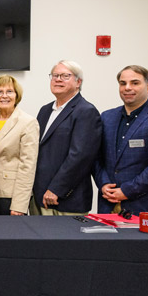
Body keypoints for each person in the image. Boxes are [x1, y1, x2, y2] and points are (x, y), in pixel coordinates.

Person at [94, 65, 148, 220]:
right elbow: (96, 158)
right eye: (123, 83)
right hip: (109, 207)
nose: (127, 88)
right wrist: (104, 184)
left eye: (135, 83)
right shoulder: (107, 117)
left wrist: (126, 191)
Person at [32, 60, 102, 215]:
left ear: (78, 82)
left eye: (65, 76)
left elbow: (80, 157)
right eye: (55, 75)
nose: (58, 79)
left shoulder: (86, 111)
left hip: (64, 199)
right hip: (39, 197)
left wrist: (56, 189)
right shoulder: (44, 110)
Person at [0, 75, 39, 215]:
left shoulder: (28, 122)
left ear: (16, 95)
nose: (4, 96)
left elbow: (28, 166)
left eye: (9, 91)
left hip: (10, 195)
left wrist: (19, 204)